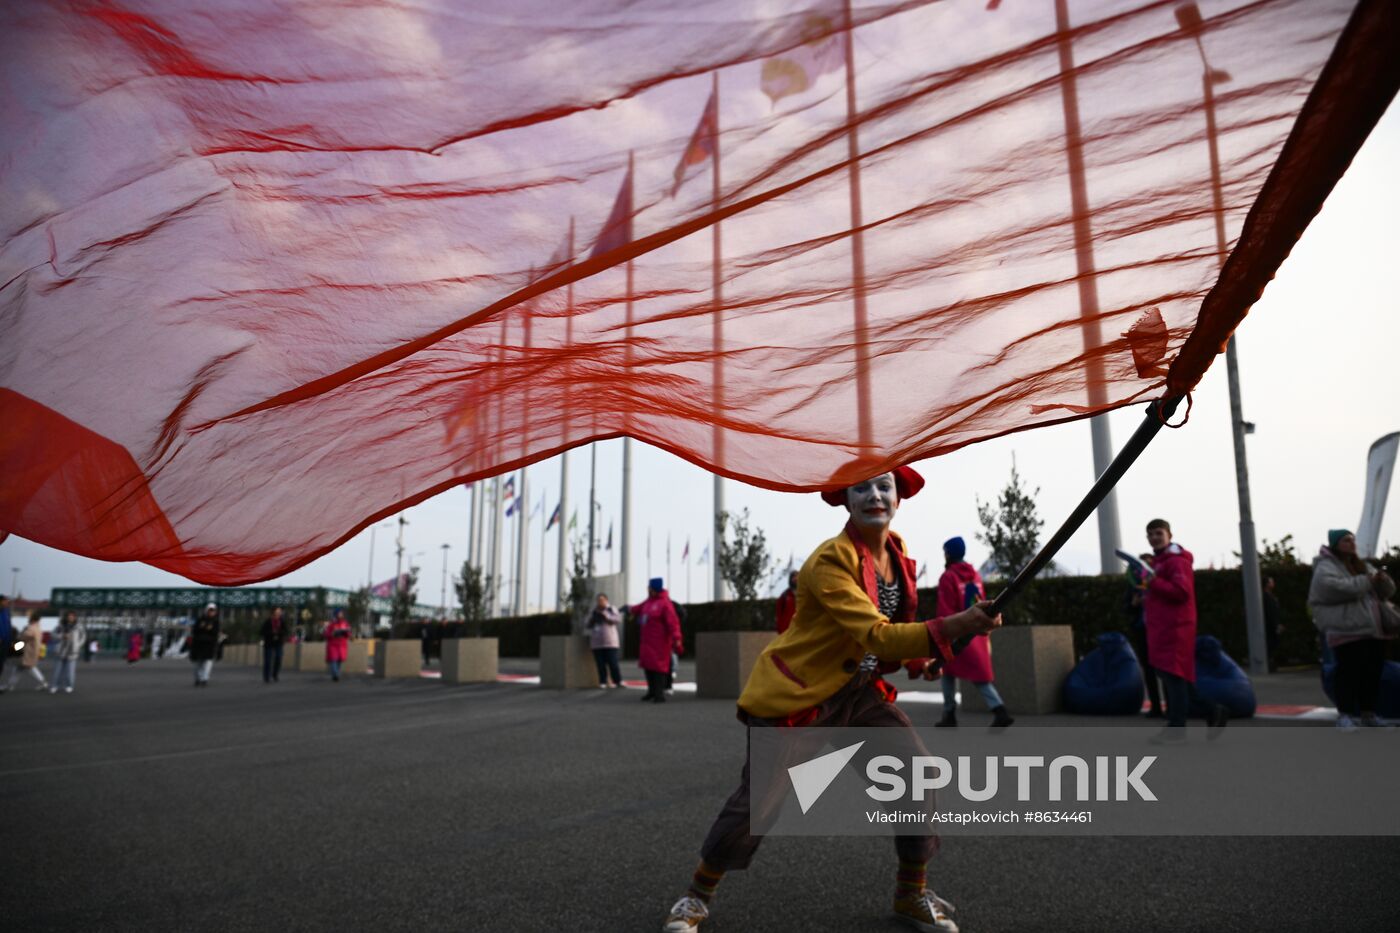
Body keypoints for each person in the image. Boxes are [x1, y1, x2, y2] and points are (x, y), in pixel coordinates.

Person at [660, 467, 1000, 933]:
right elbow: (875, 634)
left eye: (884, 486)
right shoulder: (828, 561)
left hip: (860, 694)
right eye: (862, 488)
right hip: (800, 696)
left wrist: (923, 662)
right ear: (846, 499)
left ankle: (910, 892)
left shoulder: (897, 553)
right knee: (761, 801)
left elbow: (888, 632)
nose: (874, 495)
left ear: (899, 496)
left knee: (916, 774)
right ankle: (696, 895)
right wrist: (959, 625)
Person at [1142, 519, 1226, 742]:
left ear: (1170, 534)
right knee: (1177, 680)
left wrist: (1153, 582)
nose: (1154, 538)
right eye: (1150, 534)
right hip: (1162, 629)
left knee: (1175, 679)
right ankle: (1212, 712)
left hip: (1175, 629)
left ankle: (1177, 727)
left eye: (1158, 533)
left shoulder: (1176, 562)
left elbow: (1181, 592)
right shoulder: (1158, 563)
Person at [1308, 529, 1395, 730]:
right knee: (1349, 672)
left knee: (1372, 673)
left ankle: (1368, 713)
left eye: (1353, 540)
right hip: (1346, 629)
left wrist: (1383, 581)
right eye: (1346, 540)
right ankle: (1345, 715)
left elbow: (1387, 592)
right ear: (1336, 544)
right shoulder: (1325, 567)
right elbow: (1333, 588)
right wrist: (1366, 581)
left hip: (1372, 628)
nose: (1352, 543)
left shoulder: (1362, 565)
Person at [926, 536, 1013, 728]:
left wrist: (944, 632)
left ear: (948, 553)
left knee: (947, 669)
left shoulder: (948, 577)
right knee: (977, 674)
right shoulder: (975, 575)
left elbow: (945, 610)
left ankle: (951, 713)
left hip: (957, 632)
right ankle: (998, 710)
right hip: (976, 633)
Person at [1124, 552, 1162, 717]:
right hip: (1142, 631)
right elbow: (1126, 609)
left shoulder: (1158, 585)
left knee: (1164, 671)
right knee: (1149, 670)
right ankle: (1156, 706)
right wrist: (1134, 605)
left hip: (1159, 631)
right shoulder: (1134, 589)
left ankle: (1172, 708)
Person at [632, 578, 682, 703]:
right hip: (647, 641)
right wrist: (628, 609)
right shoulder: (648, 602)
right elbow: (636, 609)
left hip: (660, 642)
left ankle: (659, 694)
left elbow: (673, 622)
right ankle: (651, 691)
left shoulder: (665, 603)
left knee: (659, 668)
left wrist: (677, 638)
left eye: (650, 587)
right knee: (648, 666)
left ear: (655, 588)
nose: (648, 589)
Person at [0, 610, 48, 692]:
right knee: (19, 669)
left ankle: (43, 682)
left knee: (28, 667)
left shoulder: (31, 628)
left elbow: (23, 637)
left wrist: (20, 634)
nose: (28, 618)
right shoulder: (37, 627)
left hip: (27, 652)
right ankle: (10, 685)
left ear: (32, 619)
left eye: (29, 617)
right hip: (31, 651)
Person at [586, 593, 624, 688]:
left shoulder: (611, 609)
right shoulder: (593, 611)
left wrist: (606, 616)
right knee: (600, 664)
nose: (600, 602)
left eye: (602, 600)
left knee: (613, 663)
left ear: (606, 600)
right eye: (598, 600)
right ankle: (602, 681)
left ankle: (618, 681)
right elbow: (586, 623)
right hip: (597, 643)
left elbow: (618, 619)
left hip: (610, 642)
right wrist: (592, 620)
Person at [48, 610, 86, 694]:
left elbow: (83, 637)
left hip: (72, 651)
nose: (71, 617)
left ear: (75, 617)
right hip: (60, 651)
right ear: (66, 617)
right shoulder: (60, 626)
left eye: (72, 616)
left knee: (70, 672)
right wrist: (62, 636)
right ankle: (54, 685)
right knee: (57, 671)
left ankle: (69, 685)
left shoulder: (79, 627)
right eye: (69, 616)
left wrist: (78, 645)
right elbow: (52, 635)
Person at [190, 602, 220, 687]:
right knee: (198, 663)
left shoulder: (215, 621)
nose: (211, 612)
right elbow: (195, 631)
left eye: (213, 610)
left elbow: (215, 632)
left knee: (207, 663)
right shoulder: (200, 620)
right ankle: (198, 678)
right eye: (210, 610)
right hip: (198, 644)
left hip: (209, 645)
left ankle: (204, 679)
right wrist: (205, 628)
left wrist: (204, 628)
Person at [261, 607, 289, 683]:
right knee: (268, 660)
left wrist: (279, 633)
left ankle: (275, 674)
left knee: (278, 658)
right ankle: (266, 676)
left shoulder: (282, 621)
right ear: (273, 612)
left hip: (278, 643)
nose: (279, 613)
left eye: (280, 612)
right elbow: (262, 632)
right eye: (278, 612)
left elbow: (286, 630)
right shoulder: (268, 621)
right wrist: (271, 632)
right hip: (269, 643)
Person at [324, 609, 352, 681]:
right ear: (336, 615)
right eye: (339, 613)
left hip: (342, 645)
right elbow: (326, 634)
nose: (340, 615)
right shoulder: (332, 624)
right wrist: (332, 634)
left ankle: (336, 674)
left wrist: (346, 632)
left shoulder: (345, 623)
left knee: (339, 660)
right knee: (333, 660)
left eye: (341, 613)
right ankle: (335, 674)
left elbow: (349, 634)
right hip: (333, 645)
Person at [1262, 576, 1282, 672]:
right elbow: (1270, 612)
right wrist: (1276, 624)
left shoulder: (1268, 596)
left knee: (1273, 644)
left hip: (1272, 624)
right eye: (1271, 582)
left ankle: (1271, 663)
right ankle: (1270, 664)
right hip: (1270, 626)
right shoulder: (1266, 597)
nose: (1273, 583)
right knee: (1271, 644)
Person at [774, 571, 798, 635]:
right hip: (786, 630)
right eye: (793, 576)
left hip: (800, 629)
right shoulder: (785, 595)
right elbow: (778, 614)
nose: (795, 578)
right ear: (790, 579)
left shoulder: (803, 594)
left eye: (797, 576)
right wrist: (780, 629)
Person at [0, 594, 11, 686]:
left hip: (5, 642)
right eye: (5, 601)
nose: (7, 602)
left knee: (1, 664)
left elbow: (8, 625)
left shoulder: (6, 611)